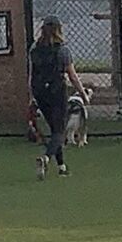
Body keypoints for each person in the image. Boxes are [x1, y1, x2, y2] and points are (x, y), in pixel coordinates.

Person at [29, 15, 89, 180]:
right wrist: (82, 94)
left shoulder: (34, 49)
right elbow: (72, 75)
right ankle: (46, 158)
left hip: (40, 92)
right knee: (59, 131)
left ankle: (62, 167)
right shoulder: (62, 50)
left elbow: (32, 74)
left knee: (55, 129)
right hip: (56, 92)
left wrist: (32, 96)